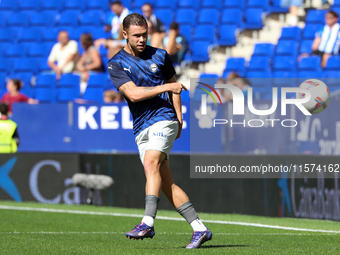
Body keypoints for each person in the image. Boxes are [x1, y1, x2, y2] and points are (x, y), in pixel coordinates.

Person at [107, 13, 212, 249]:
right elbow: (133, 94)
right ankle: (200, 228)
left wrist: (180, 120)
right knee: (166, 183)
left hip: (164, 118)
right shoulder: (116, 63)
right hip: (141, 125)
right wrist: (167, 86)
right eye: (137, 35)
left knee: (151, 164)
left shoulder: (161, 56)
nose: (142, 39)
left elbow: (176, 89)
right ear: (125, 34)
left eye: (145, 34)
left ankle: (147, 222)